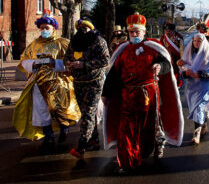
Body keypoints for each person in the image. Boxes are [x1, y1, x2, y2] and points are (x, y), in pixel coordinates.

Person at [102, 13, 184, 174]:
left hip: (150, 95)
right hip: (128, 97)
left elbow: (166, 64)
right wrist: (106, 94)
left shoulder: (153, 47)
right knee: (127, 128)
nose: (134, 35)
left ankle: (149, 149)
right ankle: (126, 161)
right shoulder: (123, 50)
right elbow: (113, 74)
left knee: (151, 127)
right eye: (131, 32)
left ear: (143, 32)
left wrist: (160, 67)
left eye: (137, 32)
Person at [13, 11, 81, 152]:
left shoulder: (62, 43)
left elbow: (72, 61)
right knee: (41, 110)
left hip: (58, 83)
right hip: (38, 83)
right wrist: (33, 64)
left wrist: (55, 63)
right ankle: (48, 136)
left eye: (47, 28)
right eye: (42, 28)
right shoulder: (34, 44)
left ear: (53, 29)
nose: (44, 30)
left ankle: (64, 128)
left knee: (58, 108)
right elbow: (23, 60)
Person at [64, 19, 110, 159]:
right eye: (80, 28)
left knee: (88, 112)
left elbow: (105, 60)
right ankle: (94, 140)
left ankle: (82, 145)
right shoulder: (74, 41)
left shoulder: (99, 41)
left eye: (85, 28)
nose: (83, 30)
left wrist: (84, 64)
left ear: (91, 29)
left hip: (94, 82)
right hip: (78, 82)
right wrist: (69, 64)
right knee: (85, 111)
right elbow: (66, 57)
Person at [177, 33, 209, 145]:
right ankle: (203, 123)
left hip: (203, 85)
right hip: (191, 87)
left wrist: (198, 74)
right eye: (194, 40)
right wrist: (185, 72)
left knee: (199, 107)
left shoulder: (207, 55)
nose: (196, 43)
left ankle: (196, 134)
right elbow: (182, 72)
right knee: (195, 108)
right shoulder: (188, 55)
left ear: (203, 42)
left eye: (199, 41)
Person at [160, 22, 184, 87]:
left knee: (176, 74)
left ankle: (177, 86)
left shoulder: (179, 37)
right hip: (167, 59)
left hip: (177, 60)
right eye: (166, 31)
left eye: (169, 31)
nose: (168, 32)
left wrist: (182, 60)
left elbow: (182, 50)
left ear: (173, 31)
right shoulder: (163, 38)